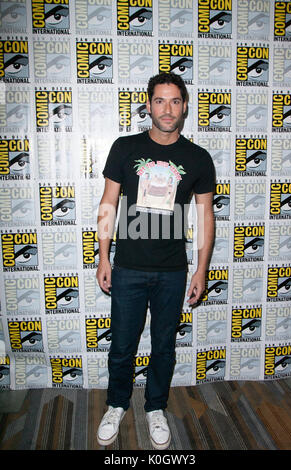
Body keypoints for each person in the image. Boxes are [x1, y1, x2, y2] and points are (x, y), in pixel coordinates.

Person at [96, 72, 215, 450]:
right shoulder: (124, 147)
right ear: (147, 105)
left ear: (184, 106)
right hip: (128, 266)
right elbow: (108, 203)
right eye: (160, 101)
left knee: (164, 345)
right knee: (122, 345)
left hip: (172, 271)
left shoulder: (197, 158)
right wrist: (103, 256)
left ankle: (155, 409)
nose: (167, 109)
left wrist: (201, 269)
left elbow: (206, 216)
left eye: (175, 101)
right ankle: (116, 405)